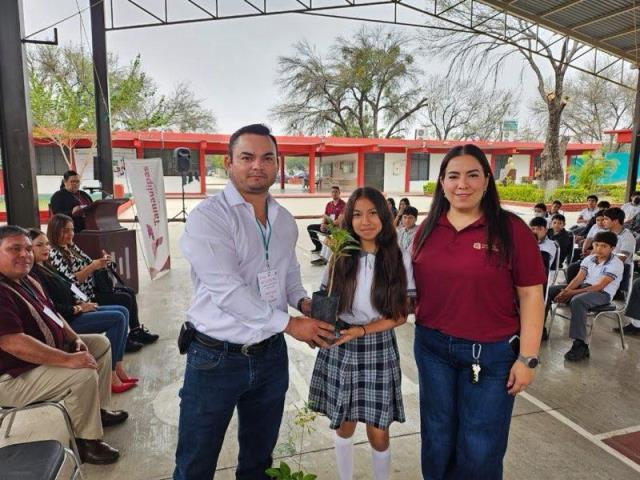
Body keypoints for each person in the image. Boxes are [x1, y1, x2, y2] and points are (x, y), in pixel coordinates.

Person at [174, 124, 335, 480]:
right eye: (247, 157)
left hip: (270, 357)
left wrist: (303, 304)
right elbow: (228, 292)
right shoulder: (209, 217)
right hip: (215, 358)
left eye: (267, 158)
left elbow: (288, 273)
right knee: (195, 465)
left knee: (258, 463)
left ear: (277, 164)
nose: (257, 166)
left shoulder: (284, 220)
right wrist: (291, 324)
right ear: (229, 163)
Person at [412, 144, 545, 480]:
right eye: (453, 176)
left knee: (480, 445)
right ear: (442, 182)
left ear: (487, 180)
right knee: (437, 437)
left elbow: (531, 295)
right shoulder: (427, 229)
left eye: (472, 175)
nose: (462, 184)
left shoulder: (511, 229)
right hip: (432, 349)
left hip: (491, 355)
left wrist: (528, 358)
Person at [308, 187, 414, 480]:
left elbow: (400, 316)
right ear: (348, 219)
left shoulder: (398, 257)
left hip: (377, 345)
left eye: (372, 213)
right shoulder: (339, 254)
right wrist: (320, 328)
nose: (365, 221)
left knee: (378, 431)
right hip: (341, 342)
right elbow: (325, 297)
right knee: (345, 424)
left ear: (385, 216)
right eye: (357, 214)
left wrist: (362, 330)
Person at [0, 225, 128, 464]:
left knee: (99, 344)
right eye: (14, 249)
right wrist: (68, 359)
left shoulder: (27, 279)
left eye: (27, 249)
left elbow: (53, 313)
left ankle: (96, 412)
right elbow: (13, 343)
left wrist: (74, 338)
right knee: (81, 373)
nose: (25, 254)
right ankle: (86, 441)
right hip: (12, 376)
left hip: (38, 359)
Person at [28, 229, 138, 393]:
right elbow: (51, 307)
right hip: (68, 319)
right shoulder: (35, 274)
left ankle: (118, 366)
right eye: (39, 245)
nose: (46, 248)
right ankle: (111, 374)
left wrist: (80, 302)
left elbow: (67, 287)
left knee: (123, 310)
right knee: (118, 318)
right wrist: (78, 307)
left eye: (47, 244)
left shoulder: (47, 266)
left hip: (76, 307)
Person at [46, 214, 159, 352]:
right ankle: (123, 341)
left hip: (92, 288)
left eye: (72, 230)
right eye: (66, 230)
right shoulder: (55, 254)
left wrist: (102, 261)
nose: (70, 234)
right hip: (83, 297)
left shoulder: (70, 246)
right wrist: (93, 266)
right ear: (55, 231)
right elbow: (71, 281)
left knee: (129, 292)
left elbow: (88, 262)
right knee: (124, 299)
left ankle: (135, 331)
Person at [546, 231, 623, 361]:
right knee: (549, 291)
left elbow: (599, 286)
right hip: (584, 288)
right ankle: (540, 329)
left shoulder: (616, 263)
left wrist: (571, 293)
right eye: (596, 244)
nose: (598, 248)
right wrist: (566, 291)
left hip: (602, 294)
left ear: (612, 248)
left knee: (578, 301)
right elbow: (578, 278)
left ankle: (580, 345)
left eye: (604, 246)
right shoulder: (589, 259)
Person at [308, 185, 346, 263]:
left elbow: (339, 221)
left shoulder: (343, 205)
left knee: (329, 238)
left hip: (336, 228)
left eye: (336, 192)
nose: (334, 193)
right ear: (331, 193)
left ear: (339, 193)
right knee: (310, 227)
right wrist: (322, 224)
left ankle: (324, 259)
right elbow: (325, 216)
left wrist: (328, 226)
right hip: (327, 226)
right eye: (332, 192)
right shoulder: (329, 204)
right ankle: (318, 247)